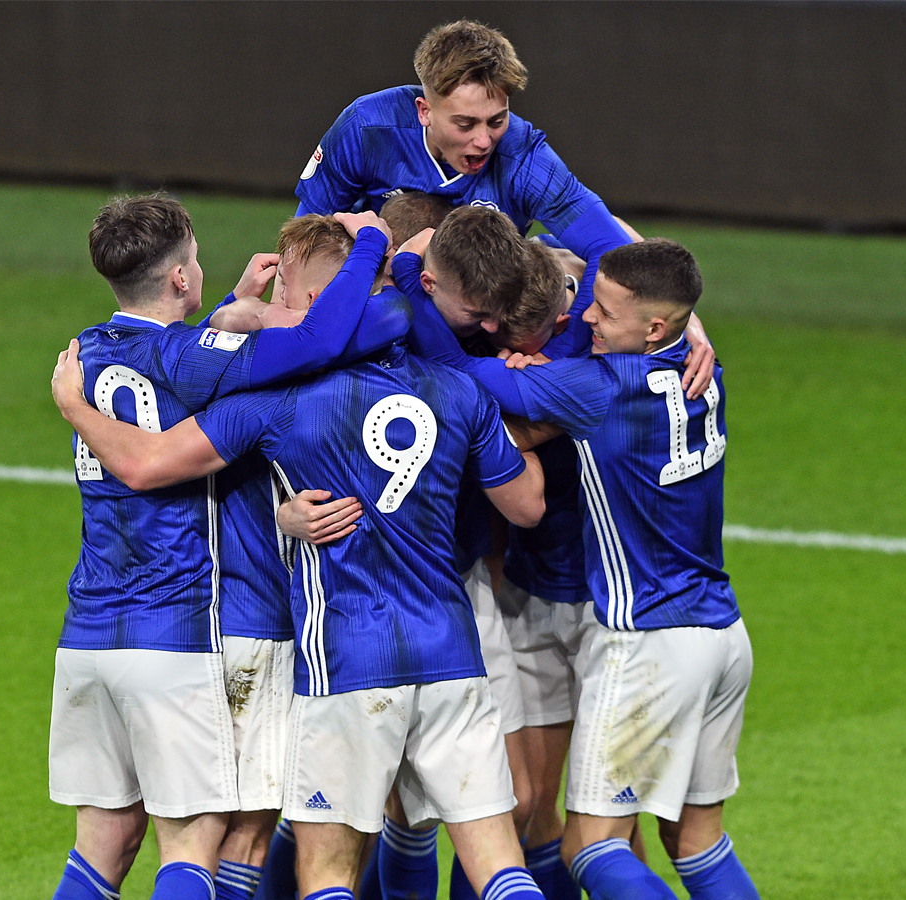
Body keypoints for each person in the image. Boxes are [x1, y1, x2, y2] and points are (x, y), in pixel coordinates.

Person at [48, 233, 554, 899]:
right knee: (499, 867)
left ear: (318, 302)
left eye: (287, 292)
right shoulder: (458, 392)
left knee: (322, 873)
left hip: (345, 661)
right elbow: (526, 505)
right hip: (451, 655)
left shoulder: (274, 403)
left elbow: (148, 463)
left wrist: (76, 407)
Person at [46, 194, 395, 900]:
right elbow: (322, 342)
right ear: (179, 277)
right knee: (201, 842)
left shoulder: (85, 353)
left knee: (105, 844)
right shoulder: (190, 359)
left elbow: (176, 380)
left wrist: (230, 310)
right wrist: (379, 251)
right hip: (175, 631)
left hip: (87, 634)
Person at [402, 239, 759, 899]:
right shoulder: (700, 372)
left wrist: (406, 275)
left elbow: (459, 369)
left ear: (653, 326)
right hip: (723, 638)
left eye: (606, 309)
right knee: (697, 843)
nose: (588, 317)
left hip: (648, 640)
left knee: (591, 847)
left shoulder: (601, 388)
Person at [294, 20, 633, 267]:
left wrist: (674, 314)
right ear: (424, 111)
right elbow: (303, 241)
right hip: (379, 284)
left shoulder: (527, 158)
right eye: (465, 123)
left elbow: (613, 250)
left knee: (565, 268)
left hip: (486, 307)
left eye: (497, 120)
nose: (484, 140)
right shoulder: (367, 128)